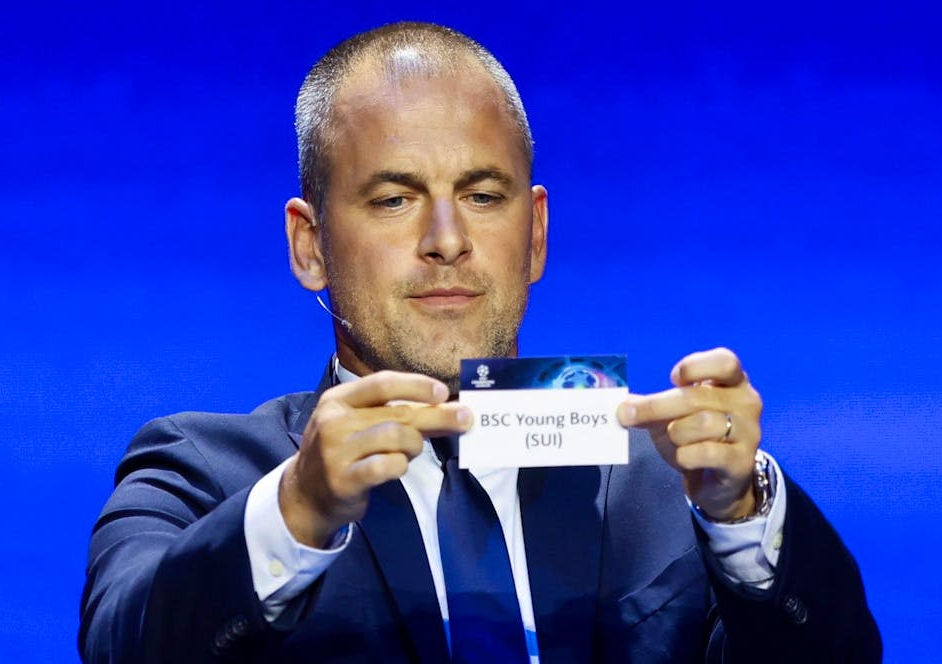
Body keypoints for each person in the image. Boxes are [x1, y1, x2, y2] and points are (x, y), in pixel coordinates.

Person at [78, 21, 881, 663]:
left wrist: (741, 512)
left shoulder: (663, 489)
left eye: (482, 195)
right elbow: (121, 644)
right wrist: (299, 510)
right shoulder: (203, 474)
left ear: (534, 235)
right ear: (309, 245)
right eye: (394, 199)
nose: (447, 239)